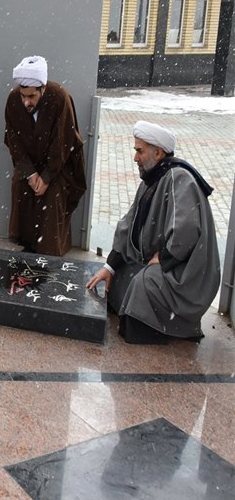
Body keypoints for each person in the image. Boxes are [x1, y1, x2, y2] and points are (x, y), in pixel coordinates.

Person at [86, 121, 220, 344]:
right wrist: (110, 267)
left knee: (144, 282)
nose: (135, 157)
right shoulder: (154, 177)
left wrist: (164, 257)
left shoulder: (179, 178)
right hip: (167, 260)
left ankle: (161, 329)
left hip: (185, 272)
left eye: (140, 151)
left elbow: (185, 232)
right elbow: (128, 225)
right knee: (121, 275)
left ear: (157, 152)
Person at [4, 56, 87, 256]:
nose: (26, 102)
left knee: (53, 196)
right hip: (30, 165)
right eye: (23, 95)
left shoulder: (60, 98)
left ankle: (50, 250)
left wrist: (47, 176)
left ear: (43, 88)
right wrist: (31, 174)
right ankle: (29, 243)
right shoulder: (14, 99)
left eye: (32, 96)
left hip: (60, 166)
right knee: (21, 185)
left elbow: (63, 142)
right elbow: (13, 140)